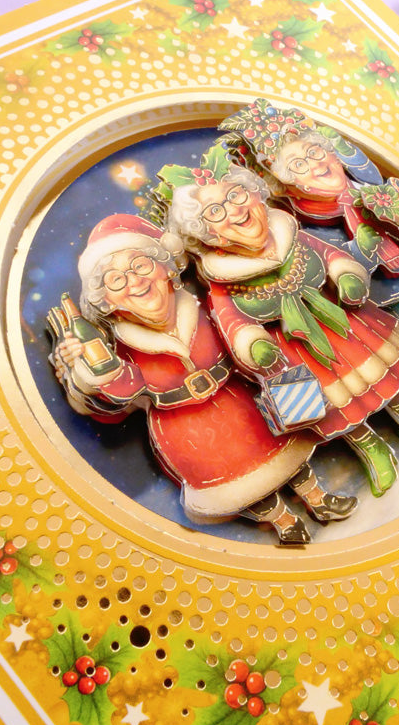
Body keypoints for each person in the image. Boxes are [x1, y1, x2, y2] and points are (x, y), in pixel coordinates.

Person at [161, 142, 399, 499]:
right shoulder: (223, 280)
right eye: (216, 212)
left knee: (382, 369)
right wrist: (253, 345)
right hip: (296, 351)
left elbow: (329, 255)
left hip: (346, 324)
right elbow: (231, 322)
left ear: (256, 197)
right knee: (335, 405)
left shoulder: (292, 235)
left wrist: (345, 274)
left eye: (236, 195)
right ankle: (372, 448)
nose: (234, 210)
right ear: (208, 234)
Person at [48, 213, 357, 545]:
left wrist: (263, 355)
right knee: (241, 486)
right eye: (116, 280)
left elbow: (239, 335)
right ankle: (283, 521)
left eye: (140, 265)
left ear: (166, 268)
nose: (134, 281)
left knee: (285, 456)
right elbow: (124, 388)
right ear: (107, 302)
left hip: (241, 404)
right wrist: (96, 373)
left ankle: (317, 498)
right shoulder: (125, 351)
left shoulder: (206, 308)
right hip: (187, 434)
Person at [219, 99, 399, 407]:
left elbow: (368, 170)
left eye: (315, 152)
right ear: (289, 185)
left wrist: (348, 153)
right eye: (299, 166)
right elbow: (335, 257)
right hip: (383, 283)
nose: (315, 165)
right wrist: (360, 249)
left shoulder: (359, 182)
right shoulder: (306, 222)